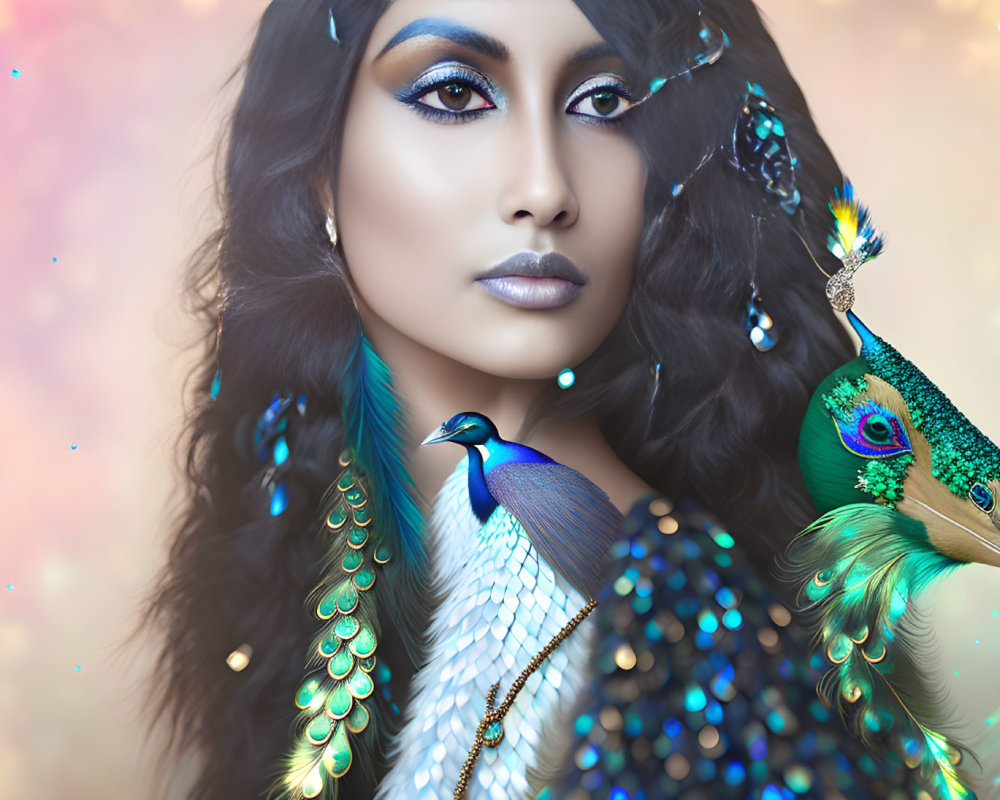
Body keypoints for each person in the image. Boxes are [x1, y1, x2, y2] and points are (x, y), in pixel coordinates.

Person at [145, 0, 965, 797]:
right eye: (456, 93)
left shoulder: (682, 624)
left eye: (605, 104)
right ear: (317, 164)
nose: (545, 188)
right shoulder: (310, 533)